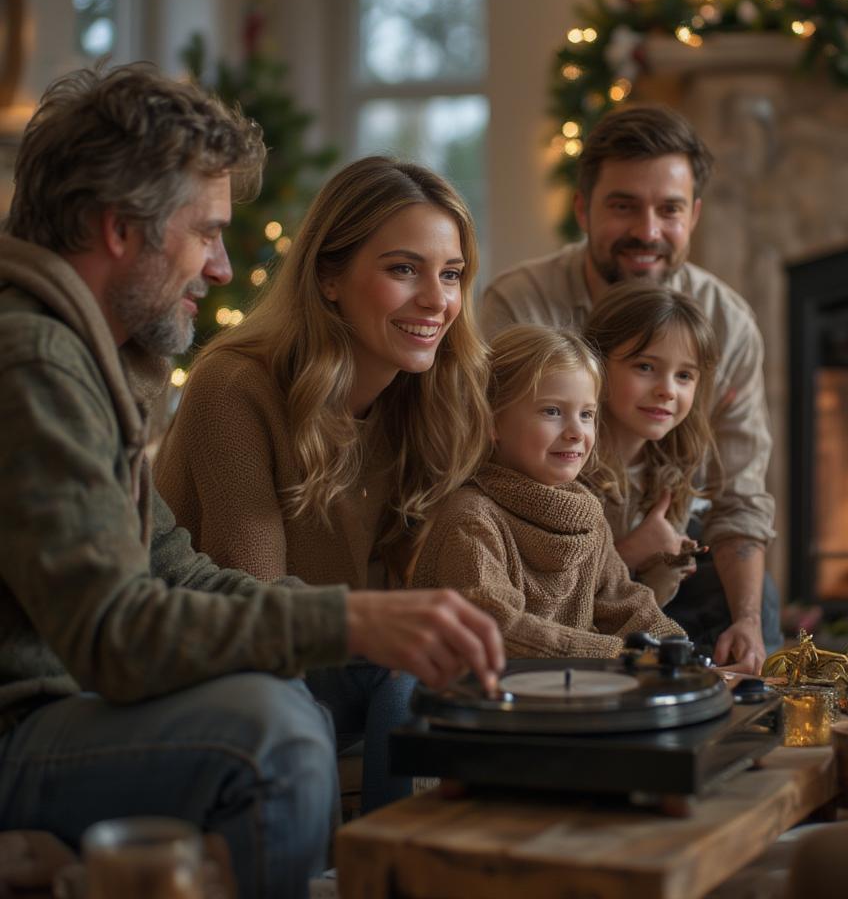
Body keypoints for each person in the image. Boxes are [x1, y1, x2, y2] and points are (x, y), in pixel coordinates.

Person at [0, 65, 504, 899]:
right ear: (120, 228)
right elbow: (115, 635)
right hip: (23, 726)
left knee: (381, 682)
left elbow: (177, 567)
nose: (223, 269)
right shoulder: (35, 361)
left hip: (53, 711)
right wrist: (347, 617)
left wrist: (375, 624)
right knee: (271, 735)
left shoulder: (88, 363)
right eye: (206, 233)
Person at [154, 155, 492, 811]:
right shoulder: (235, 384)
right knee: (400, 673)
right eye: (403, 269)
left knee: (437, 678)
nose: (436, 300)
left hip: (348, 669)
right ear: (329, 277)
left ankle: (412, 862)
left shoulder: (427, 396)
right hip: (231, 675)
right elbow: (252, 601)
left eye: (451, 274)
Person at [479, 104, 778, 672]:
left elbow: (739, 495)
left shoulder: (726, 320)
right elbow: (491, 477)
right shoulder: (520, 306)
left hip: (675, 548)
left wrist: (746, 620)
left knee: (755, 612)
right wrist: (617, 556)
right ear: (582, 209)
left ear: (693, 215)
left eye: (668, 210)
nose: (647, 231)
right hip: (548, 559)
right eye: (623, 206)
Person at [411, 324, 685, 656]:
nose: (575, 432)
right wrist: (618, 656)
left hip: (562, 692)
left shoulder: (586, 515)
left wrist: (680, 653)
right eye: (552, 411)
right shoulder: (471, 518)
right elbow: (499, 626)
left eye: (586, 415)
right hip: (481, 698)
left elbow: (626, 602)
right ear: (493, 422)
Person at [583, 281, 722, 620]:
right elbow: (551, 601)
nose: (667, 390)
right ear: (597, 364)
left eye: (685, 375)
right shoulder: (567, 468)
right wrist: (629, 554)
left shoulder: (673, 469)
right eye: (645, 367)